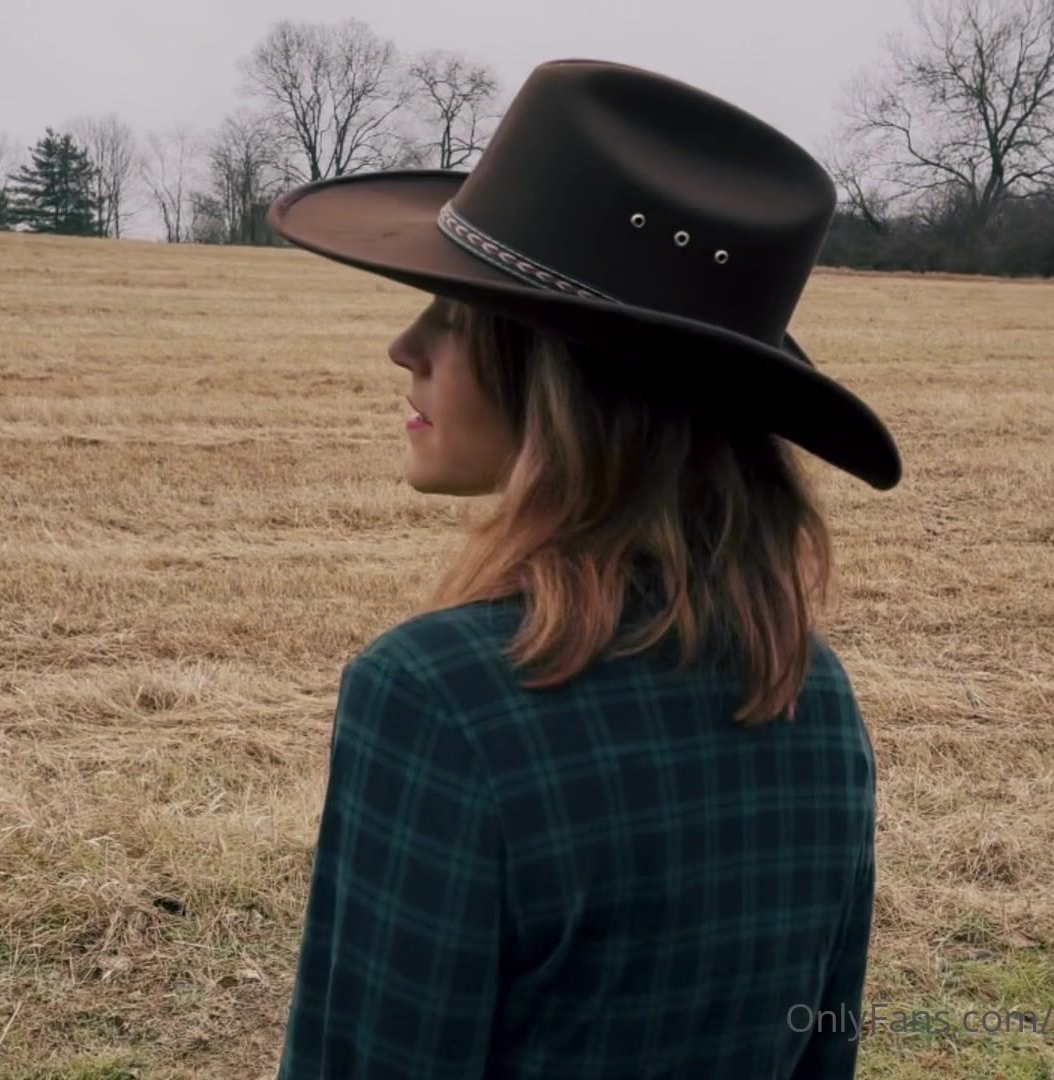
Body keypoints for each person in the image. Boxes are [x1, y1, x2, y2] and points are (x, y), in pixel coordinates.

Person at [265, 58, 901, 1080]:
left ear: (563, 374)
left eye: (456, 311)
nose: (405, 346)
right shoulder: (810, 694)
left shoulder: (439, 698)